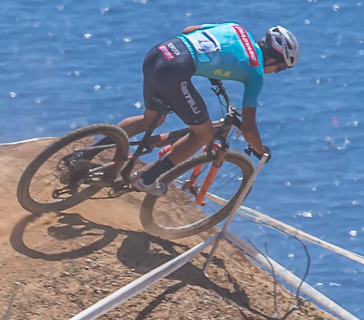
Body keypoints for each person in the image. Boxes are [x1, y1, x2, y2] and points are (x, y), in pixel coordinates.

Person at [121, 22, 298, 194]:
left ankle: (94, 149)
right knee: (203, 134)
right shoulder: (256, 73)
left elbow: (188, 30)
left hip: (158, 53)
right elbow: (248, 128)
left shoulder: (236, 28)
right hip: (175, 71)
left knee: (152, 119)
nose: (275, 72)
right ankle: (146, 180)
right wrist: (260, 151)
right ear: (274, 58)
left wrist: (213, 67)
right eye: (280, 68)